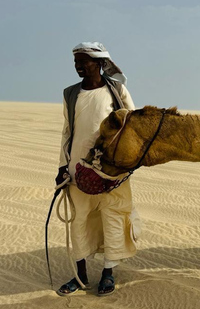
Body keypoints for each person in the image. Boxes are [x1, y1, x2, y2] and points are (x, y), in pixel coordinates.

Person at [56, 42, 138, 296]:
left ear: (100, 63)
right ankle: (80, 275)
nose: (78, 66)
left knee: (112, 217)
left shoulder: (117, 90)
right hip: (77, 170)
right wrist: (62, 166)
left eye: (84, 61)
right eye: (76, 62)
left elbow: (132, 125)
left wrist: (128, 162)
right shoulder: (70, 93)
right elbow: (68, 132)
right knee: (79, 220)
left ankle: (108, 273)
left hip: (112, 171)